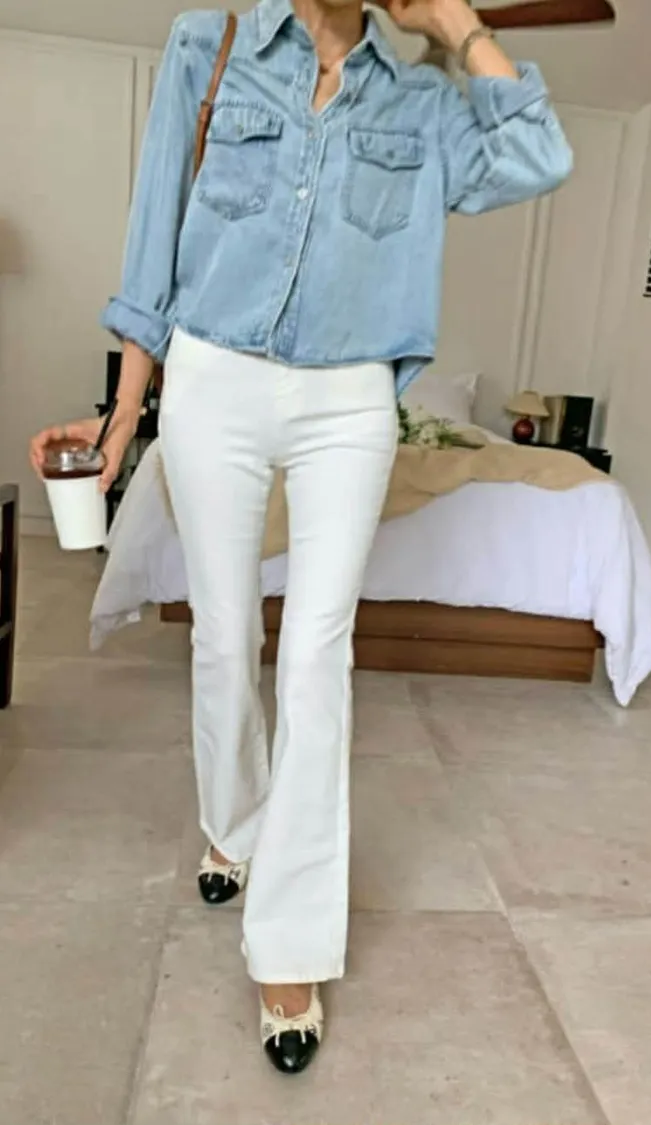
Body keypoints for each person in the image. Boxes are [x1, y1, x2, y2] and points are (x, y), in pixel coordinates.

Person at [30, 0, 572, 1075]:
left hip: (349, 398)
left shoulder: (419, 99)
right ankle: (231, 824)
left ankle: (289, 946)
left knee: (319, 655)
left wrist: (455, 23)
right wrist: (125, 412)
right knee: (225, 635)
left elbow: (538, 154)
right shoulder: (211, 44)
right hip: (213, 378)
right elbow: (155, 232)